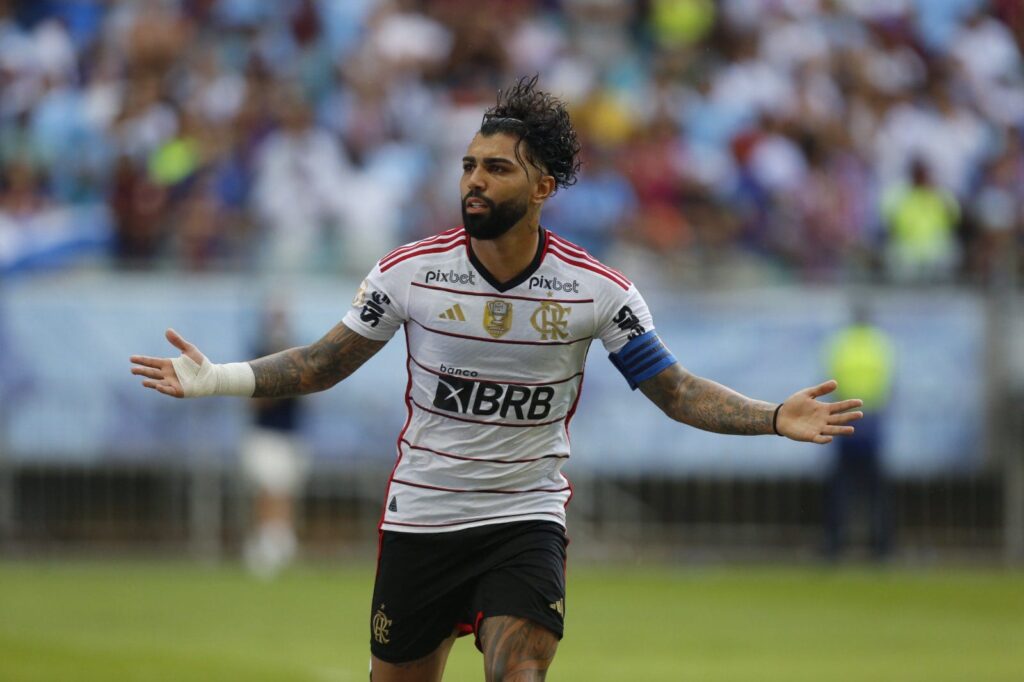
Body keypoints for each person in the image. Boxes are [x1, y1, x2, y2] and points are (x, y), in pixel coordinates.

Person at [130, 76, 863, 682]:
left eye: (496, 168)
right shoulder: (411, 272)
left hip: (524, 519)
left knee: (522, 676)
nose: (474, 181)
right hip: (422, 518)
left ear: (543, 185)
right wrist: (217, 378)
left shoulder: (598, 291)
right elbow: (324, 363)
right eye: (469, 166)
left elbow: (673, 391)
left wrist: (773, 416)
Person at [240, 301, 309, 578]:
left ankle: (281, 544)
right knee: (269, 489)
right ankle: (266, 546)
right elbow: (254, 401)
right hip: (265, 435)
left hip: (291, 434)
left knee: (285, 491)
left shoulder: (299, 353)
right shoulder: (258, 354)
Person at [823, 303, 895, 561]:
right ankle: (883, 548)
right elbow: (889, 385)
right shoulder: (880, 344)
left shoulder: (841, 343)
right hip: (872, 423)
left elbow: (831, 382)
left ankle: (833, 547)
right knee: (875, 491)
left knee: (841, 488)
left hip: (845, 423)